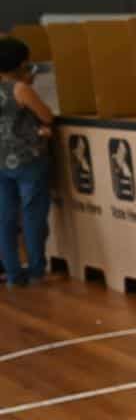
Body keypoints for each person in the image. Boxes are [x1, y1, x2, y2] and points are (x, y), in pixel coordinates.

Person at [0, 37, 54, 288]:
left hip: (1, 162)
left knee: (6, 218)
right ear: (22, 63)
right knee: (32, 216)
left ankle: (12, 273)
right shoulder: (20, 89)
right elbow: (46, 115)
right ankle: (35, 271)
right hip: (28, 160)